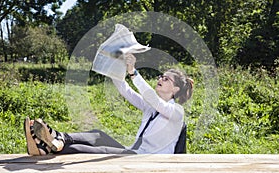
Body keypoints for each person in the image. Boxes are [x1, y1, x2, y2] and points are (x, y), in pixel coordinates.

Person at [24, 53, 194, 155]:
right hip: (134, 152)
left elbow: (151, 97)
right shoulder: (151, 107)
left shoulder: (176, 112)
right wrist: (114, 69)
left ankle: (47, 147)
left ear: (176, 88)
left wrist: (133, 73)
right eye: (160, 76)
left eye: (166, 79)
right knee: (98, 135)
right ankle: (56, 137)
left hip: (147, 160)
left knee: (94, 151)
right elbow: (126, 91)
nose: (160, 79)